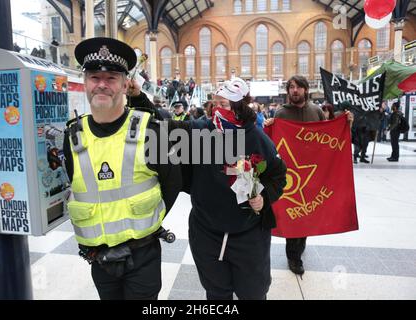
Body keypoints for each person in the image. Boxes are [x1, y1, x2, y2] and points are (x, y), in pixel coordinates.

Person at [131, 77, 287, 300]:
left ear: (240, 107)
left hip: (249, 235)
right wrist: (137, 97)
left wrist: (264, 197)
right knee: (216, 293)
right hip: (207, 233)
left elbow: (278, 176)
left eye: (224, 105)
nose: (218, 110)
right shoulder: (203, 130)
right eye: (215, 104)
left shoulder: (257, 138)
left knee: (253, 293)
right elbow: (163, 127)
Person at [63, 37, 181, 300]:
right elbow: (79, 185)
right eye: (95, 77)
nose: (102, 84)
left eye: (112, 77)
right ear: (85, 83)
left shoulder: (151, 131)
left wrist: (147, 221)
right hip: (99, 257)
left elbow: (172, 185)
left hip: (142, 255)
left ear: (126, 84)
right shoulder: (73, 135)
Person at [264, 75, 352, 276]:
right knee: (291, 211)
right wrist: (269, 125)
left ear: (305, 90)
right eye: (291, 87)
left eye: (298, 87)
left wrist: (346, 124)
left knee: (308, 212)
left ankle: (300, 243)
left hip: (313, 172)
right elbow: (272, 142)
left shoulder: (316, 111)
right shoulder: (281, 113)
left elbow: (329, 136)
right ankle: (293, 256)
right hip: (290, 173)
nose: (294, 91)